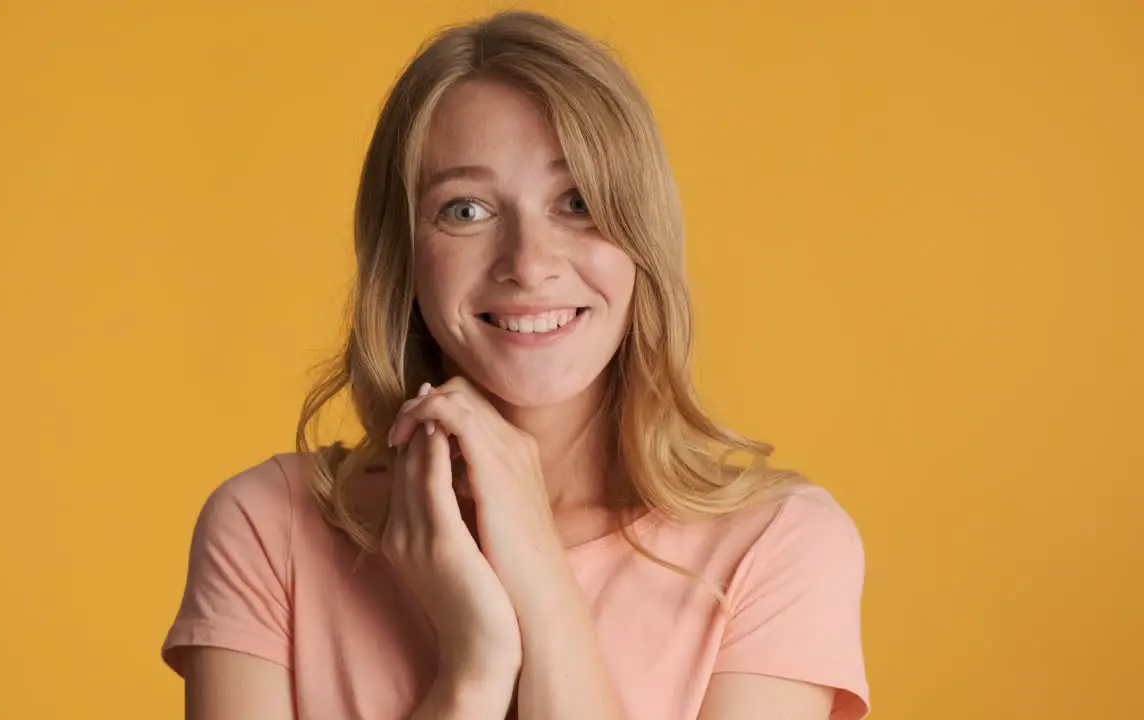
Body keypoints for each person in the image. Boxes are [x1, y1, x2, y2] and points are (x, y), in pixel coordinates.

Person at [161, 10, 869, 720]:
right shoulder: (270, 527)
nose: (529, 264)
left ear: (642, 237)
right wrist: (476, 664)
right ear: (403, 255)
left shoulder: (778, 549)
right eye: (465, 210)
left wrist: (539, 575)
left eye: (579, 202)